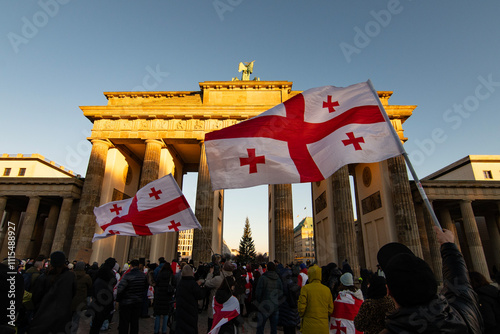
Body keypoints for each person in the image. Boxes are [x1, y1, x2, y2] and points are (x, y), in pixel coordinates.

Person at [377, 226, 484, 333]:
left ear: (388, 291)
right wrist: (448, 245)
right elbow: (459, 279)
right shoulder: (464, 312)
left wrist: (449, 246)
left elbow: (459, 281)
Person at [29, 251, 76, 334]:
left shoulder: (44, 276)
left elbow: (36, 296)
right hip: (63, 316)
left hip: (44, 315)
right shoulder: (70, 277)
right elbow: (73, 293)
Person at [297, 264, 333, 333]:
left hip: (308, 325)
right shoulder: (327, 289)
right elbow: (330, 309)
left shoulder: (305, 289)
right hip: (323, 326)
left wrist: (303, 316)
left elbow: (301, 308)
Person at [116, 259, 148, 334]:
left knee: (124, 322)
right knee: (135, 322)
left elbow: (120, 288)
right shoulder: (143, 275)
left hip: (126, 302)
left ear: (131, 266)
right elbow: (145, 287)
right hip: (137, 301)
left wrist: (118, 299)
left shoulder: (127, 275)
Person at [88, 257, 117, 334]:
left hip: (98, 300)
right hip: (104, 301)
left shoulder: (100, 274)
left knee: (95, 324)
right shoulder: (110, 275)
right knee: (98, 322)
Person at [255, 262, 283, 334]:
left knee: (260, 328)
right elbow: (281, 293)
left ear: (267, 268)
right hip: (275, 306)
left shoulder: (263, 278)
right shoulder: (278, 279)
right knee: (274, 329)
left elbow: (258, 293)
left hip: (264, 306)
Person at [175, 263, 204, 333]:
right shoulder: (193, 284)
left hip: (181, 311)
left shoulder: (180, 283)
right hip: (191, 311)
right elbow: (200, 295)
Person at [71, 261, 92, 334]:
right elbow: (90, 286)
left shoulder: (71, 275)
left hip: (70, 299)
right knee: (76, 320)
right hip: (80, 301)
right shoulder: (86, 277)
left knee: (68, 319)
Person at [153, 261, 175, 334]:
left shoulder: (160, 274)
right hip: (167, 296)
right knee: (166, 314)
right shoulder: (171, 275)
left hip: (159, 295)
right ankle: (164, 330)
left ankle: (156, 330)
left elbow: (157, 283)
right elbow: (173, 285)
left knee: (158, 314)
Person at [278, 266, 300, 334]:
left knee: (287, 329)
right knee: (292, 329)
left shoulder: (282, 284)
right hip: (293, 310)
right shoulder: (293, 283)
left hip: (285, 310)